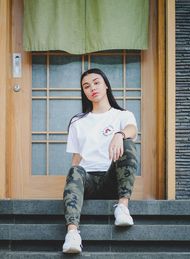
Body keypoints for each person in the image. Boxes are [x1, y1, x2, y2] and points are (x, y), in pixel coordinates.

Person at [62, 68, 138, 253]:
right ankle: (72, 234)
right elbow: (76, 157)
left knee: (127, 144)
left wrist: (119, 134)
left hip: (111, 179)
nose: (92, 88)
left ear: (106, 85)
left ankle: (122, 206)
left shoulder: (122, 115)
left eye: (96, 82)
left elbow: (132, 130)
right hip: (88, 181)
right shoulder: (77, 122)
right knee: (75, 170)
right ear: (84, 92)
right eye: (86, 86)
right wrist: (72, 188)